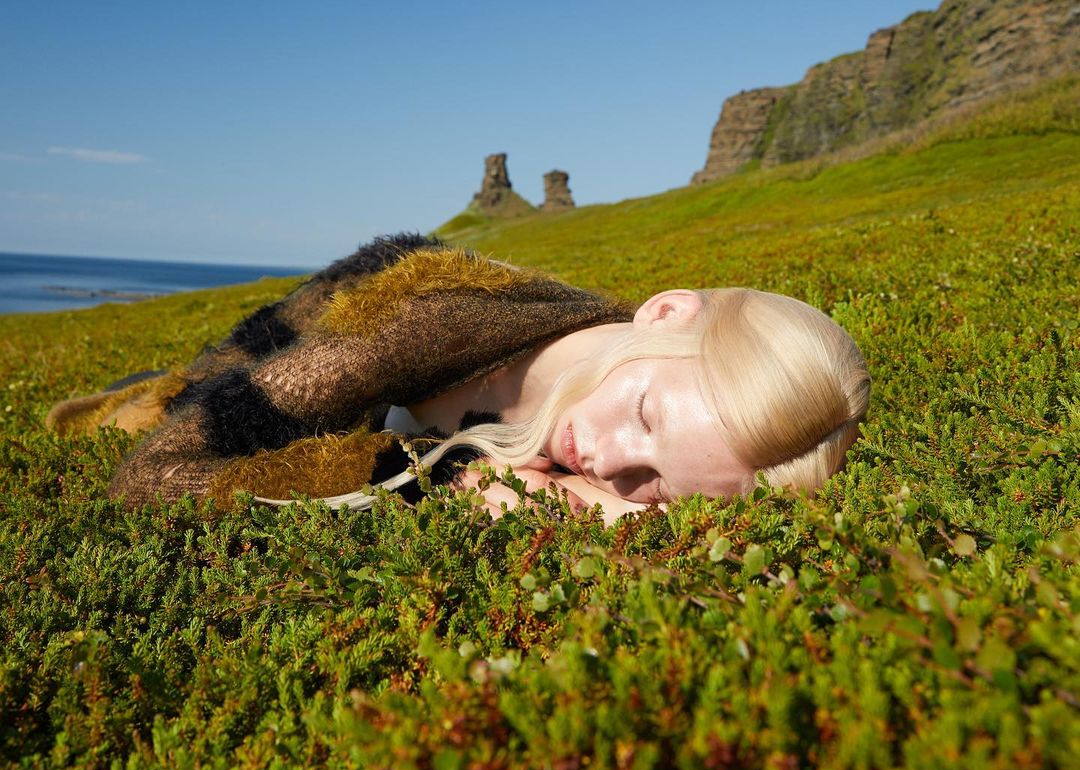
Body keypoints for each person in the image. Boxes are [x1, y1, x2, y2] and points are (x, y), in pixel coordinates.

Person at [46, 232, 870, 523]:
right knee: (143, 409)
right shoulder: (425, 323)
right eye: (645, 415)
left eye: (655, 486)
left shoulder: (605, 389)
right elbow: (156, 481)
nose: (609, 463)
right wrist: (440, 480)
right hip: (269, 360)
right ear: (662, 312)